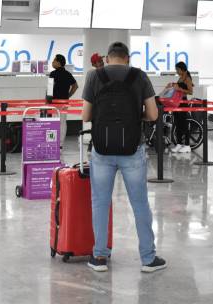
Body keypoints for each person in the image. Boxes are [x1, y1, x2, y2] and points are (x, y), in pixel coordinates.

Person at [82, 42, 166, 274]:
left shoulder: (93, 76)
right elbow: (152, 114)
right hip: (132, 149)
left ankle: (99, 256)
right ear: (128, 58)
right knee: (140, 204)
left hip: (102, 150)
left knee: (100, 202)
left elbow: (85, 115)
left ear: (107, 59)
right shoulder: (139, 76)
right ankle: (148, 259)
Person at [49, 54, 78, 148]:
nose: (52, 62)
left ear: (58, 62)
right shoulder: (68, 74)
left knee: (54, 122)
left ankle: (53, 142)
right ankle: (60, 144)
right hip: (64, 102)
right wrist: (68, 95)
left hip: (54, 102)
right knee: (63, 122)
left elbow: (49, 89)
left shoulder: (53, 73)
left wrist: (47, 101)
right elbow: (75, 86)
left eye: (54, 60)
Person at [168, 62, 193, 154]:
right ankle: (178, 144)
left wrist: (179, 89)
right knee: (177, 124)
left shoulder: (187, 78)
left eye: (177, 69)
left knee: (184, 125)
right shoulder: (180, 78)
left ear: (182, 69)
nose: (176, 71)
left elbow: (190, 92)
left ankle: (187, 145)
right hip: (177, 103)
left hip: (183, 103)